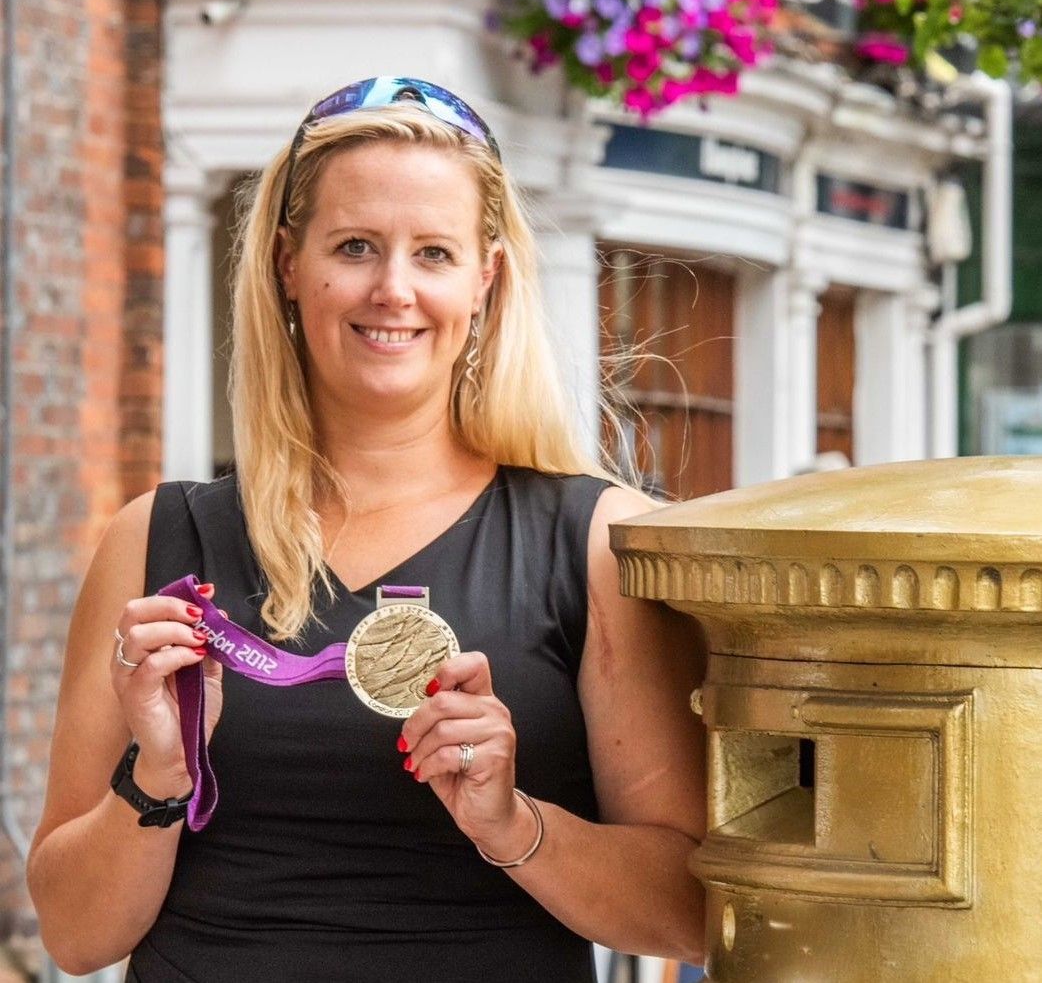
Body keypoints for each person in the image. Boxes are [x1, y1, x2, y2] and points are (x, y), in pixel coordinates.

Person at [27, 77, 706, 982]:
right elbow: (73, 936)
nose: (393, 289)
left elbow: (693, 915)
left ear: (485, 280)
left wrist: (513, 822)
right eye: (354, 246)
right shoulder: (158, 539)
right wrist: (157, 772)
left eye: (433, 252)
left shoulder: (595, 542)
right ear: (286, 265)